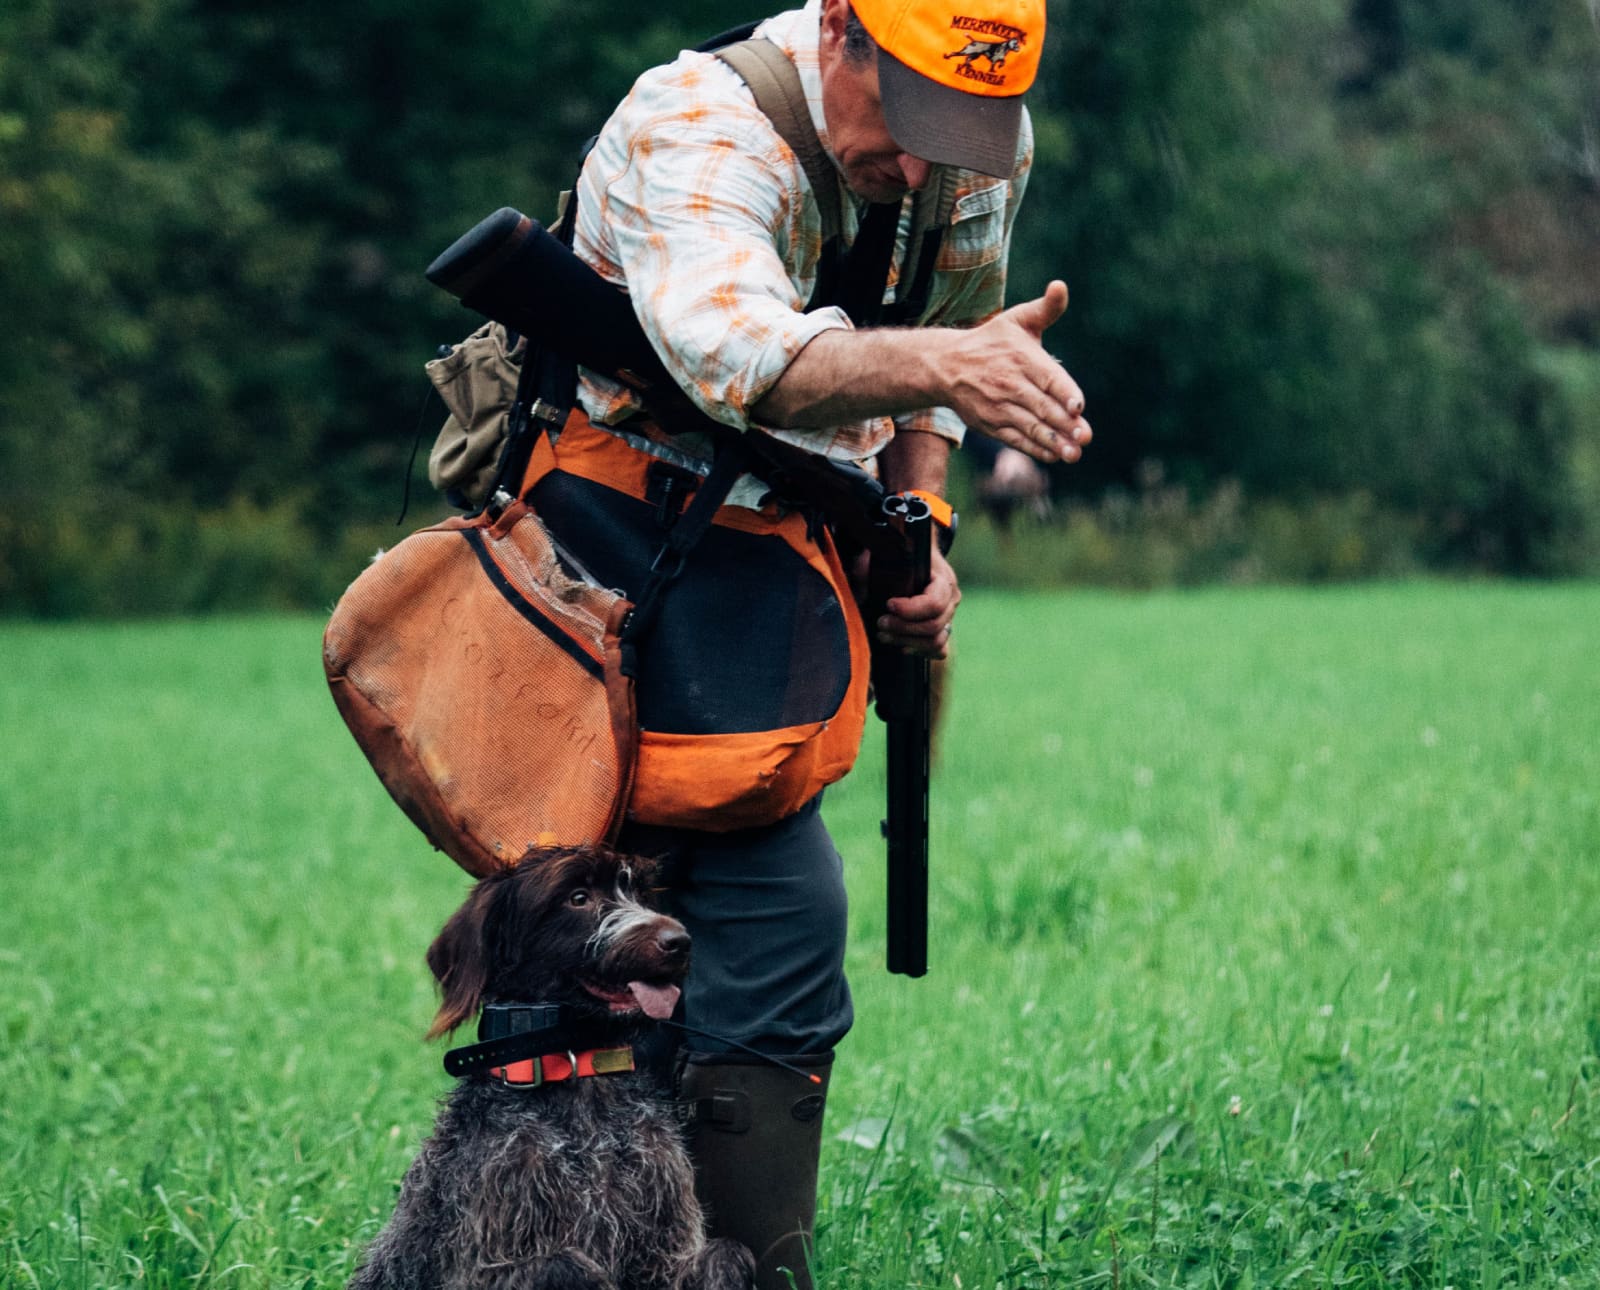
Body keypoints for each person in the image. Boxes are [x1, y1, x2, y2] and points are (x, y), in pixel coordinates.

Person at [523, 1, 1090, 1285]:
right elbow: (745, 359)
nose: (928, 162)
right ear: (841, 30)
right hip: (589, 569)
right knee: (571, 931)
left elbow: (952, 346)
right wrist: (946, 364)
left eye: (969, 124)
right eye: (910, 116)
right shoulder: (701, 127)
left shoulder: (972, 140)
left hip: (771, 572)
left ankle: (740, 1268)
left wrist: (923, 524)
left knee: (782, 922)